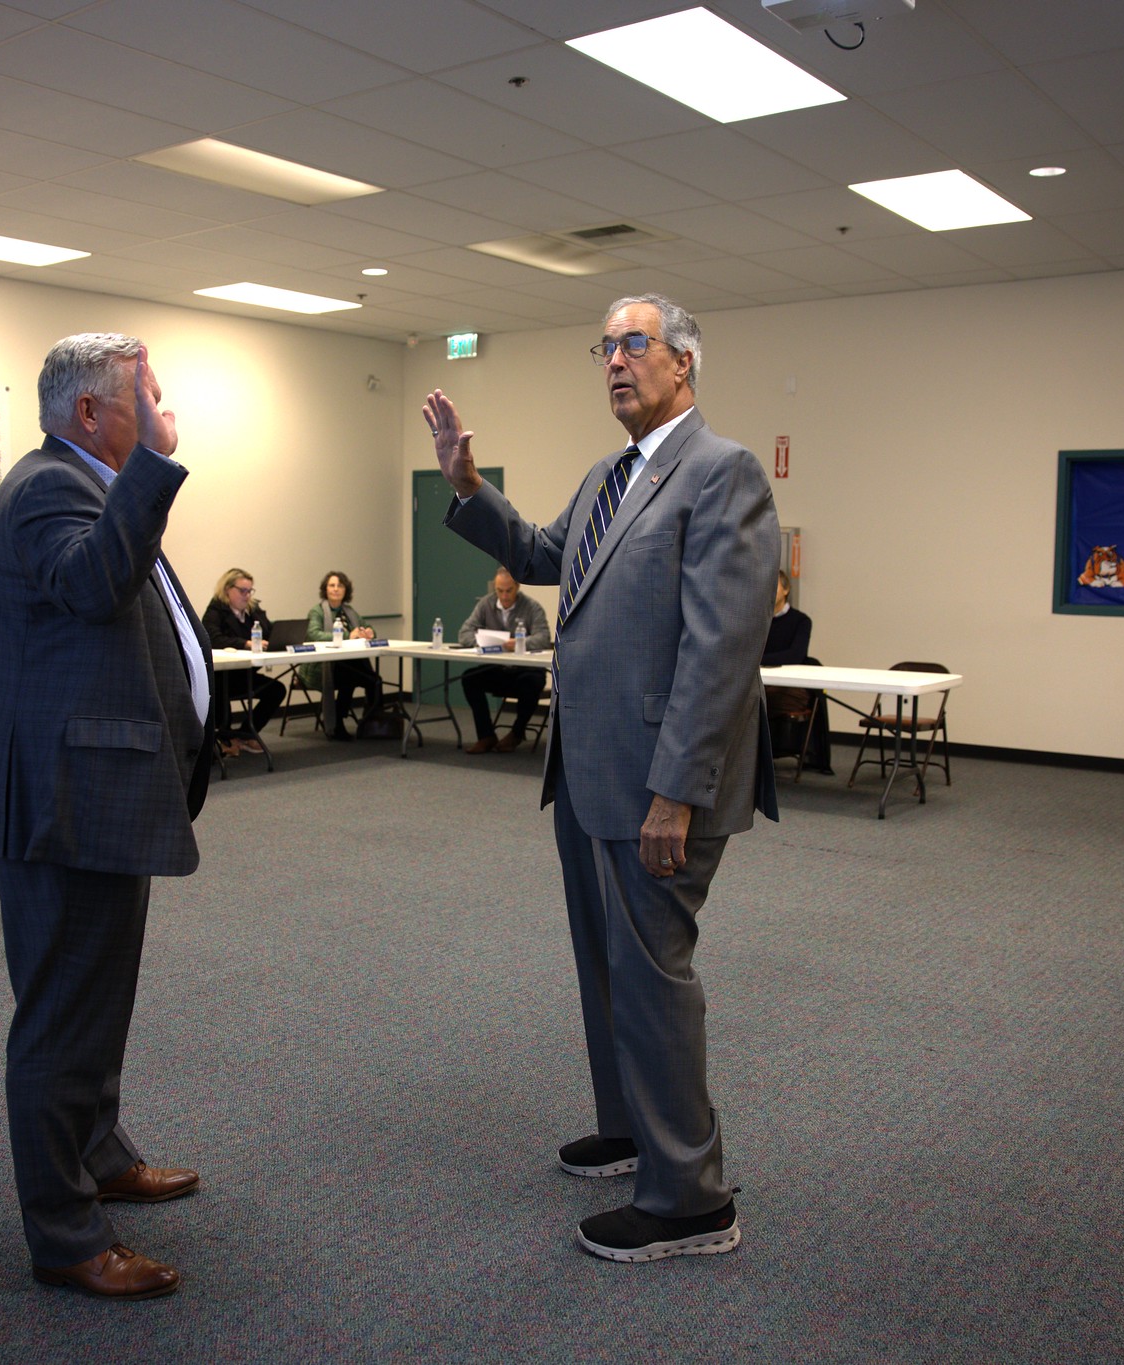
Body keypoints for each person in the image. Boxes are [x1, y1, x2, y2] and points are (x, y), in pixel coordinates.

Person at [423, 292, 779, 1264]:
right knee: (607, 966)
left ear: (683, 363)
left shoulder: (723, 472)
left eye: (634, 343)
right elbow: (544, 556)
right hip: (587, 766)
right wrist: (466, 488)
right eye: (605, 347)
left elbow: (720, 645)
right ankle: (633, 1129)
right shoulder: (608, 474)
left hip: (660, 777)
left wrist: (679, 788)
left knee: (653, 972)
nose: (615, 360)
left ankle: (689, 1199)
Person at [0, 332, 212, 1303]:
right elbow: (95, 581)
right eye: (138, 395)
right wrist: (157, 464)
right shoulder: (49, 488)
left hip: (97, 794)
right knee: (61, 1020)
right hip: (62, 807)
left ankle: (100, 1155)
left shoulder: (82, 484)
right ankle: (63, 1233)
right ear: (92, 415)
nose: (155, 407)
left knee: (96, 1002)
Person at [455, 567, 551, 754]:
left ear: (517, 587)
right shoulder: (486, 604)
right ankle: (486, 735)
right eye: (500, 591)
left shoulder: (532, 607)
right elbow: (464, 634)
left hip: (524, 669)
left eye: (509, 591)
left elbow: (543, 638)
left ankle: (517, 732)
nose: (504, 596)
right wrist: (484, 642)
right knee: (469, 679)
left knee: (532, 682)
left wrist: (519, 642)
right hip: (498, 668)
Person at [199, 567, 285, 758]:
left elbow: (270, 631)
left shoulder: (253, 610)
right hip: (224, 676)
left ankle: (245, 734)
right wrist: (245, 643)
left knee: (277, 690)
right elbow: (213, 638)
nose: (247, 596)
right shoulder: (216, 610)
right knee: (220, 694)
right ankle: (225, 739)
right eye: (243, 591)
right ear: (228, 589)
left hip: (247, 674)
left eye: (250, 591)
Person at [762, 570, 830, 774]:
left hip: (789, 686)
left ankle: (764, 756)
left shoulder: (800, 621)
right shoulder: (756, 620)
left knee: (762, 699)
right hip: (762, 681)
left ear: (786, 589)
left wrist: (757, 660)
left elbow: (795, 655)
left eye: (773, 586)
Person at [303, 570, 380, 740]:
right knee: (349, 678)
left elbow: (368, 627)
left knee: (375, 681)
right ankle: (337, 724)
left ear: (346, 590)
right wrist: (347, 635)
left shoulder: (350, 611)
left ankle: (371, 720)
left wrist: (368, 632)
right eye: (332, 585)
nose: (336, 589)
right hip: (321, 667)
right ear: (325, 589)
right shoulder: (317, 612)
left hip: (348, 663)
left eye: (340, 586)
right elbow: (314, 634)